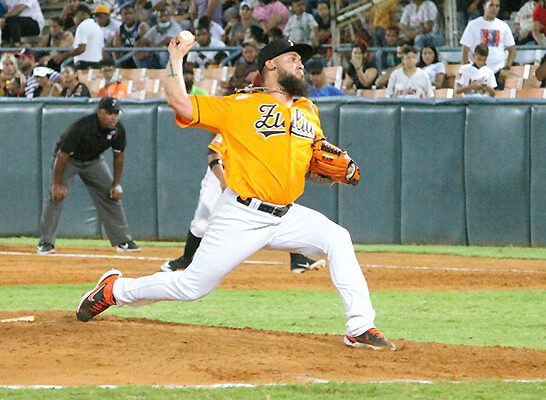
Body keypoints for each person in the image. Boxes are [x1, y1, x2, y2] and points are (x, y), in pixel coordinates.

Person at [76, 39, 396, 352]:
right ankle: (115, 289)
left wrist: (334, 173)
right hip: (242, 215)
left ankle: (360, 327)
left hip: (287, 215)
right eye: (293, 58)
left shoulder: (308, 110)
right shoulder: (240, 106)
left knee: (338, 238)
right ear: (271, 65)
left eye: (301, 60)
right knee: (191, 286)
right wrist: (175, 57)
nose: (301, 64)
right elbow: (181, 103)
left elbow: (309, 167)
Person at [160, 134, 326, 273]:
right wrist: (222, 181)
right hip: (219, 175)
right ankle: (186, 260)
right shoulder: (237, 124)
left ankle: (298, 259)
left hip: (247, 178)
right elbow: (213, 153)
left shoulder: (268, 133)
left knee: (276, 210)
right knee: (202, 224)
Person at [37, 97, 140, 255]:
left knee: (111, 195)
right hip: (69, 160)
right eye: (109, 113)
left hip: (93, 161)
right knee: (56, 196)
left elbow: (119, 157)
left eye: (116, 113)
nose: (113, 117)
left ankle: (123, 241)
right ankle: (46, 242)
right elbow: (62, 156)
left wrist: (116, 184)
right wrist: (56, 185)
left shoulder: (118, 130)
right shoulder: (82, 127)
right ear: (100, 112)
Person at [460, 0, 516, 89]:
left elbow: (512, 49)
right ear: (484, 6)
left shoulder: (503, 26)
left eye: (497, 6)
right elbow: (465, 49)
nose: (494, 8)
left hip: (497, 72)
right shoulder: (473, 25)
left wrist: (507, 67)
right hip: (476, 72)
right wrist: (466, 70)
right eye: (491, 5)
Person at [52, 3, 104, 70]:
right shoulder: (97, 27)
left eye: (74, 15)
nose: (73, 19)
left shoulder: (82, 26)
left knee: (65, 68)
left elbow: (81, 49)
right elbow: (102, 49)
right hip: (97, 64)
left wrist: (63, 56)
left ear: (81, 13)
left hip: (84, 65)